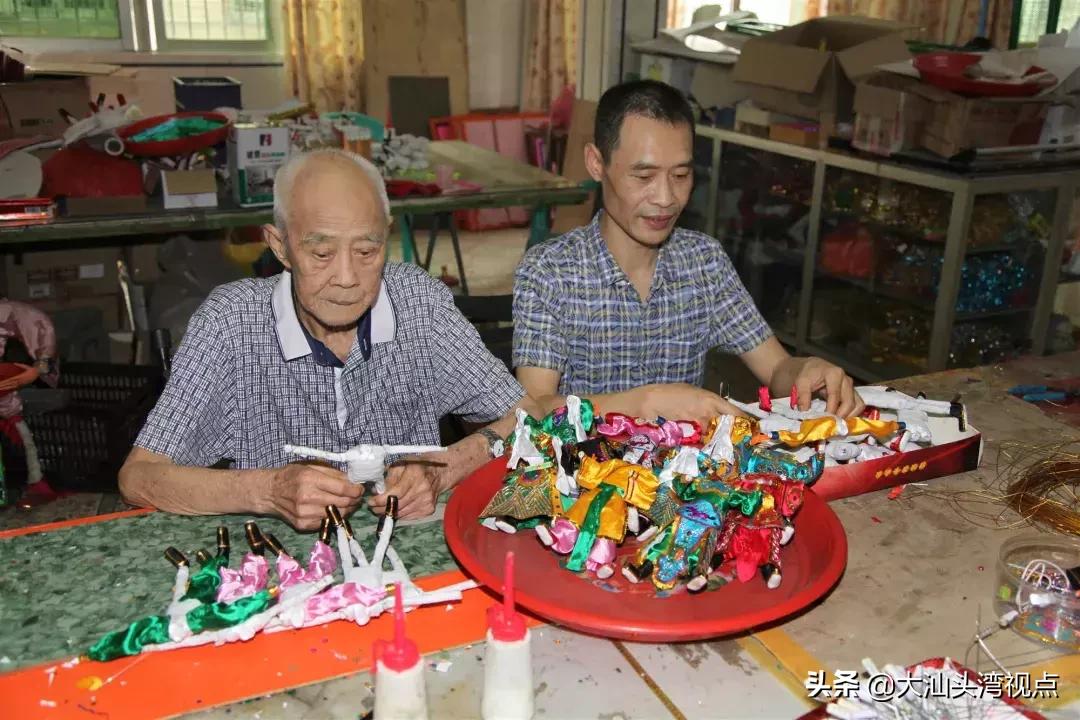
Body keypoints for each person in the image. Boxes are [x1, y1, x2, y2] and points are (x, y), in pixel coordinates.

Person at [121, 149, 531, 528]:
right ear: (280, 246)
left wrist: (445, 467)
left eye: (367, 252)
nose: (347, 278)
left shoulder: (418, 303)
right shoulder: (231, 322)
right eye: (321, 254)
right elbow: (138, 477)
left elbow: (532, 416)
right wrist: (268, 491)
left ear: (386, 237)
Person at [513, 80, 863, 425]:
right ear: (596, 163)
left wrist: (805, 371)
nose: (666, 198)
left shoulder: (703, 261)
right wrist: (644, 403)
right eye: (644, 176)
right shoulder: (550, 271)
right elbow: (536, 409)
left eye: (680, 175)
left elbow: (777, 368)